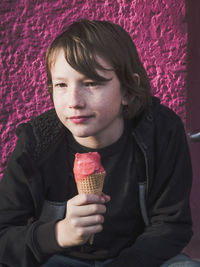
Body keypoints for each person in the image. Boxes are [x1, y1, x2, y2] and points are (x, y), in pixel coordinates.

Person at [0, 19, 199, 267]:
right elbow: (4, 238)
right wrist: (58, 234)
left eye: (91, 83)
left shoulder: (161, 131)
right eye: (61, 85)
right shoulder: (36, 142)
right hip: (59, 259)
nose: (73, 101)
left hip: (139, 259)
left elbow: (171, 225)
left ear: (127, 90)